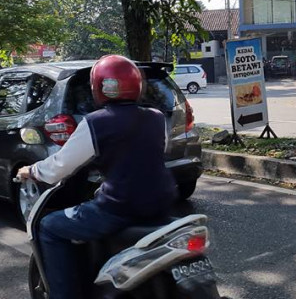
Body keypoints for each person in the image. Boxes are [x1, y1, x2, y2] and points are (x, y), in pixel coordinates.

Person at [16, 55, 176, 299]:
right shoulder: (156, 117)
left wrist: (32, 170)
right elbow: (154, 153)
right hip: (161, 204)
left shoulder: (96, 122)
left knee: (49, 227)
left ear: (99, 87)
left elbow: (60, 166)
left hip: (119, 209)